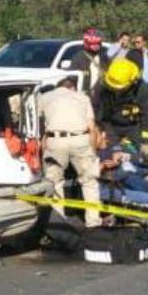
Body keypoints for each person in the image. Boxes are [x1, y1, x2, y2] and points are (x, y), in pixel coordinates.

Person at [40, 77, 102, 229]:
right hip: (80, 139)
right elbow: (92, 128)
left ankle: (58, 223)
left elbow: (40, 127)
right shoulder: (83, 97)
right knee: (89, 182)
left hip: (55, 140)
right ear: (72, 87)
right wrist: (93, 151)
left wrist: (43, 150)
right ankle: (93, 222)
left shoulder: (44, 98)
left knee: (54, 182)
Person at [99, 58, 148, 151]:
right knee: (109, 152)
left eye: (120, 88)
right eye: (114, 87)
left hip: (134, 126)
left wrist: (147, 142)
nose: (117, 90)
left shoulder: (140, 89)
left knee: (142, 154)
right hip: (111, 125)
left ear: (132, 82)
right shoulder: (104, 87)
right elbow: (101, 113)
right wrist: (103, 132)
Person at [69, 28, 111, 107]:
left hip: (102, 98)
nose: (96, 46)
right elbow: (72, 78)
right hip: (84, 98)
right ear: (87, 43)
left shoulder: (104, 57)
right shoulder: (79, 58)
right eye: (93, 44)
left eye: (98, 44)